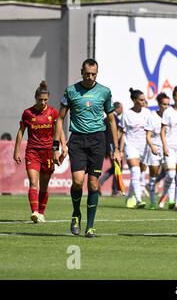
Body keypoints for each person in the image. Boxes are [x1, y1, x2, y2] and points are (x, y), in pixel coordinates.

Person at [52, 59, 120, 238]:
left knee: (93, 183)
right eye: (87, 73)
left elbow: (112, 120)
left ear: (97, 73)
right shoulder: (71, 91)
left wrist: (117, 148)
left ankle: (90, 226)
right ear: (82, 72)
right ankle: (76, 213)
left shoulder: (104, 92)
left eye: (94, 74)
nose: (90, 77)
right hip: (77, 140)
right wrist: (56, 146)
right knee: (78, 182)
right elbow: (60, 119)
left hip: (98, 140)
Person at [13, 81, 67, 223]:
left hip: (48, 152)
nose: (43, 102)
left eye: (45, 100)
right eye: (40, 100)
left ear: (48, 99)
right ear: (35, 98)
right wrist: (16, 150)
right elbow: (21, 131)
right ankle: (35, 212)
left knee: (44, 186)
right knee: (33, 183)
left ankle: (41, 213)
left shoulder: (53, 112)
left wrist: (63, 145)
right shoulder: (28, 113)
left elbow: (59, 129)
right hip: (32, 152)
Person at [122, 88, 152, 209]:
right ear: (134, 100)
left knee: (140, 175)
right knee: (135, 172)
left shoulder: (148, 113)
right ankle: (139, 200)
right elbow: (122, 132)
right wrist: (118, 149)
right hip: (131, 145)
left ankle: (130, 196)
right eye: (141, 99)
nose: (144, 101)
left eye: (144, 99)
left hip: (144, 147)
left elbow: (151, 131)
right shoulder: (127, 114)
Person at [160, 87, 177, 211]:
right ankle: (164, 195)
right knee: (171, 174)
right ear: (174, 97)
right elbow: (162, 131)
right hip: (170, 146)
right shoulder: (168, 112)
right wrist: (165, 145)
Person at [144, 92, 170, 209]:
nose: (166, 107)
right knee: (153, 176)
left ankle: (171, 200)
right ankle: (153, 201)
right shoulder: (152, 117)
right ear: (159, 104)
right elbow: (148, 135)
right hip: (155, 148)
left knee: (171, 173)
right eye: (164, 104)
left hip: (168, 148)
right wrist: (152, 146)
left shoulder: (170, 115)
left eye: (168, 104)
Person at [99, 101, 124, 196]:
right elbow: (112, 136)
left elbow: (104, 136)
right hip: (113, 147)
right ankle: (114, 190)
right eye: (121, 108)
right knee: (117, 167)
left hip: (108, 147)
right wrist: (113, 150)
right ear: (117, 108)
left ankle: (101, 182)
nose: (122, 110)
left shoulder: (105, 120)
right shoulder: (115, 120)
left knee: (115, 168)